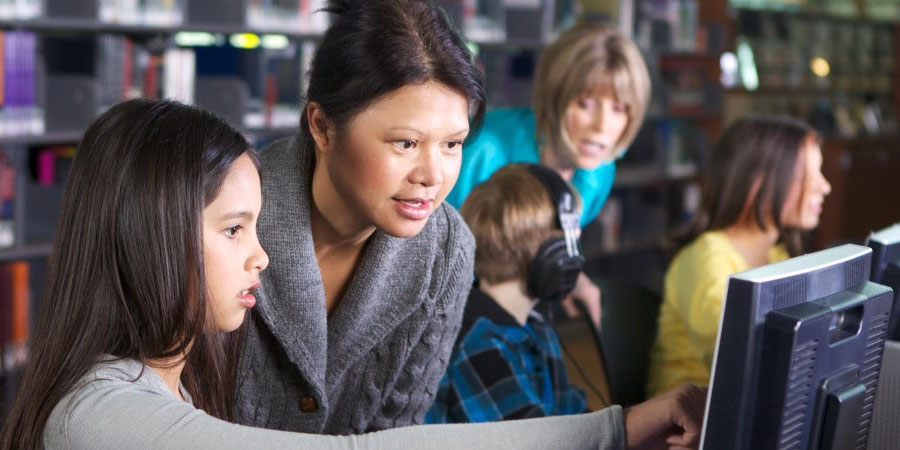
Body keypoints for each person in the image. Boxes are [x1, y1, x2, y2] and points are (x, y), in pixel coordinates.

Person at [0, 99, 643, 450]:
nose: (262, 256)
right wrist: (614, 430)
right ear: (148, 237)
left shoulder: (173, 386)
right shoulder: (101, 414)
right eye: (233, 229)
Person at [234, 0, 705, 447]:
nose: (433, 177)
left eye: (453, 144)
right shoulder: (218, 215)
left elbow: (400, 431)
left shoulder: (447, 246)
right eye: (404, 143)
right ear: (321, 126)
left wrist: (618, 430)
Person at [445, 22, 653, 326]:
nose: (602, 126)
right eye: (586, 104)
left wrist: (573, 277)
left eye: (620, 109)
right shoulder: (484, 151)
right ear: (554, 96)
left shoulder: (599, 172)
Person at [646, 116, 832, 397]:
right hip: (690, 422)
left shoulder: (779, 255)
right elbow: (737, 357)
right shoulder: (706, 258)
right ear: (758, 182)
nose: (825, 186)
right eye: (810, 173)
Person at [426, 164, 591, 423]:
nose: (575, 254)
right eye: (571, 240)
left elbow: (577, 418)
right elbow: (540, 442)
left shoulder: (536, 325)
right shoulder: (477, 341)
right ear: (555, 252)